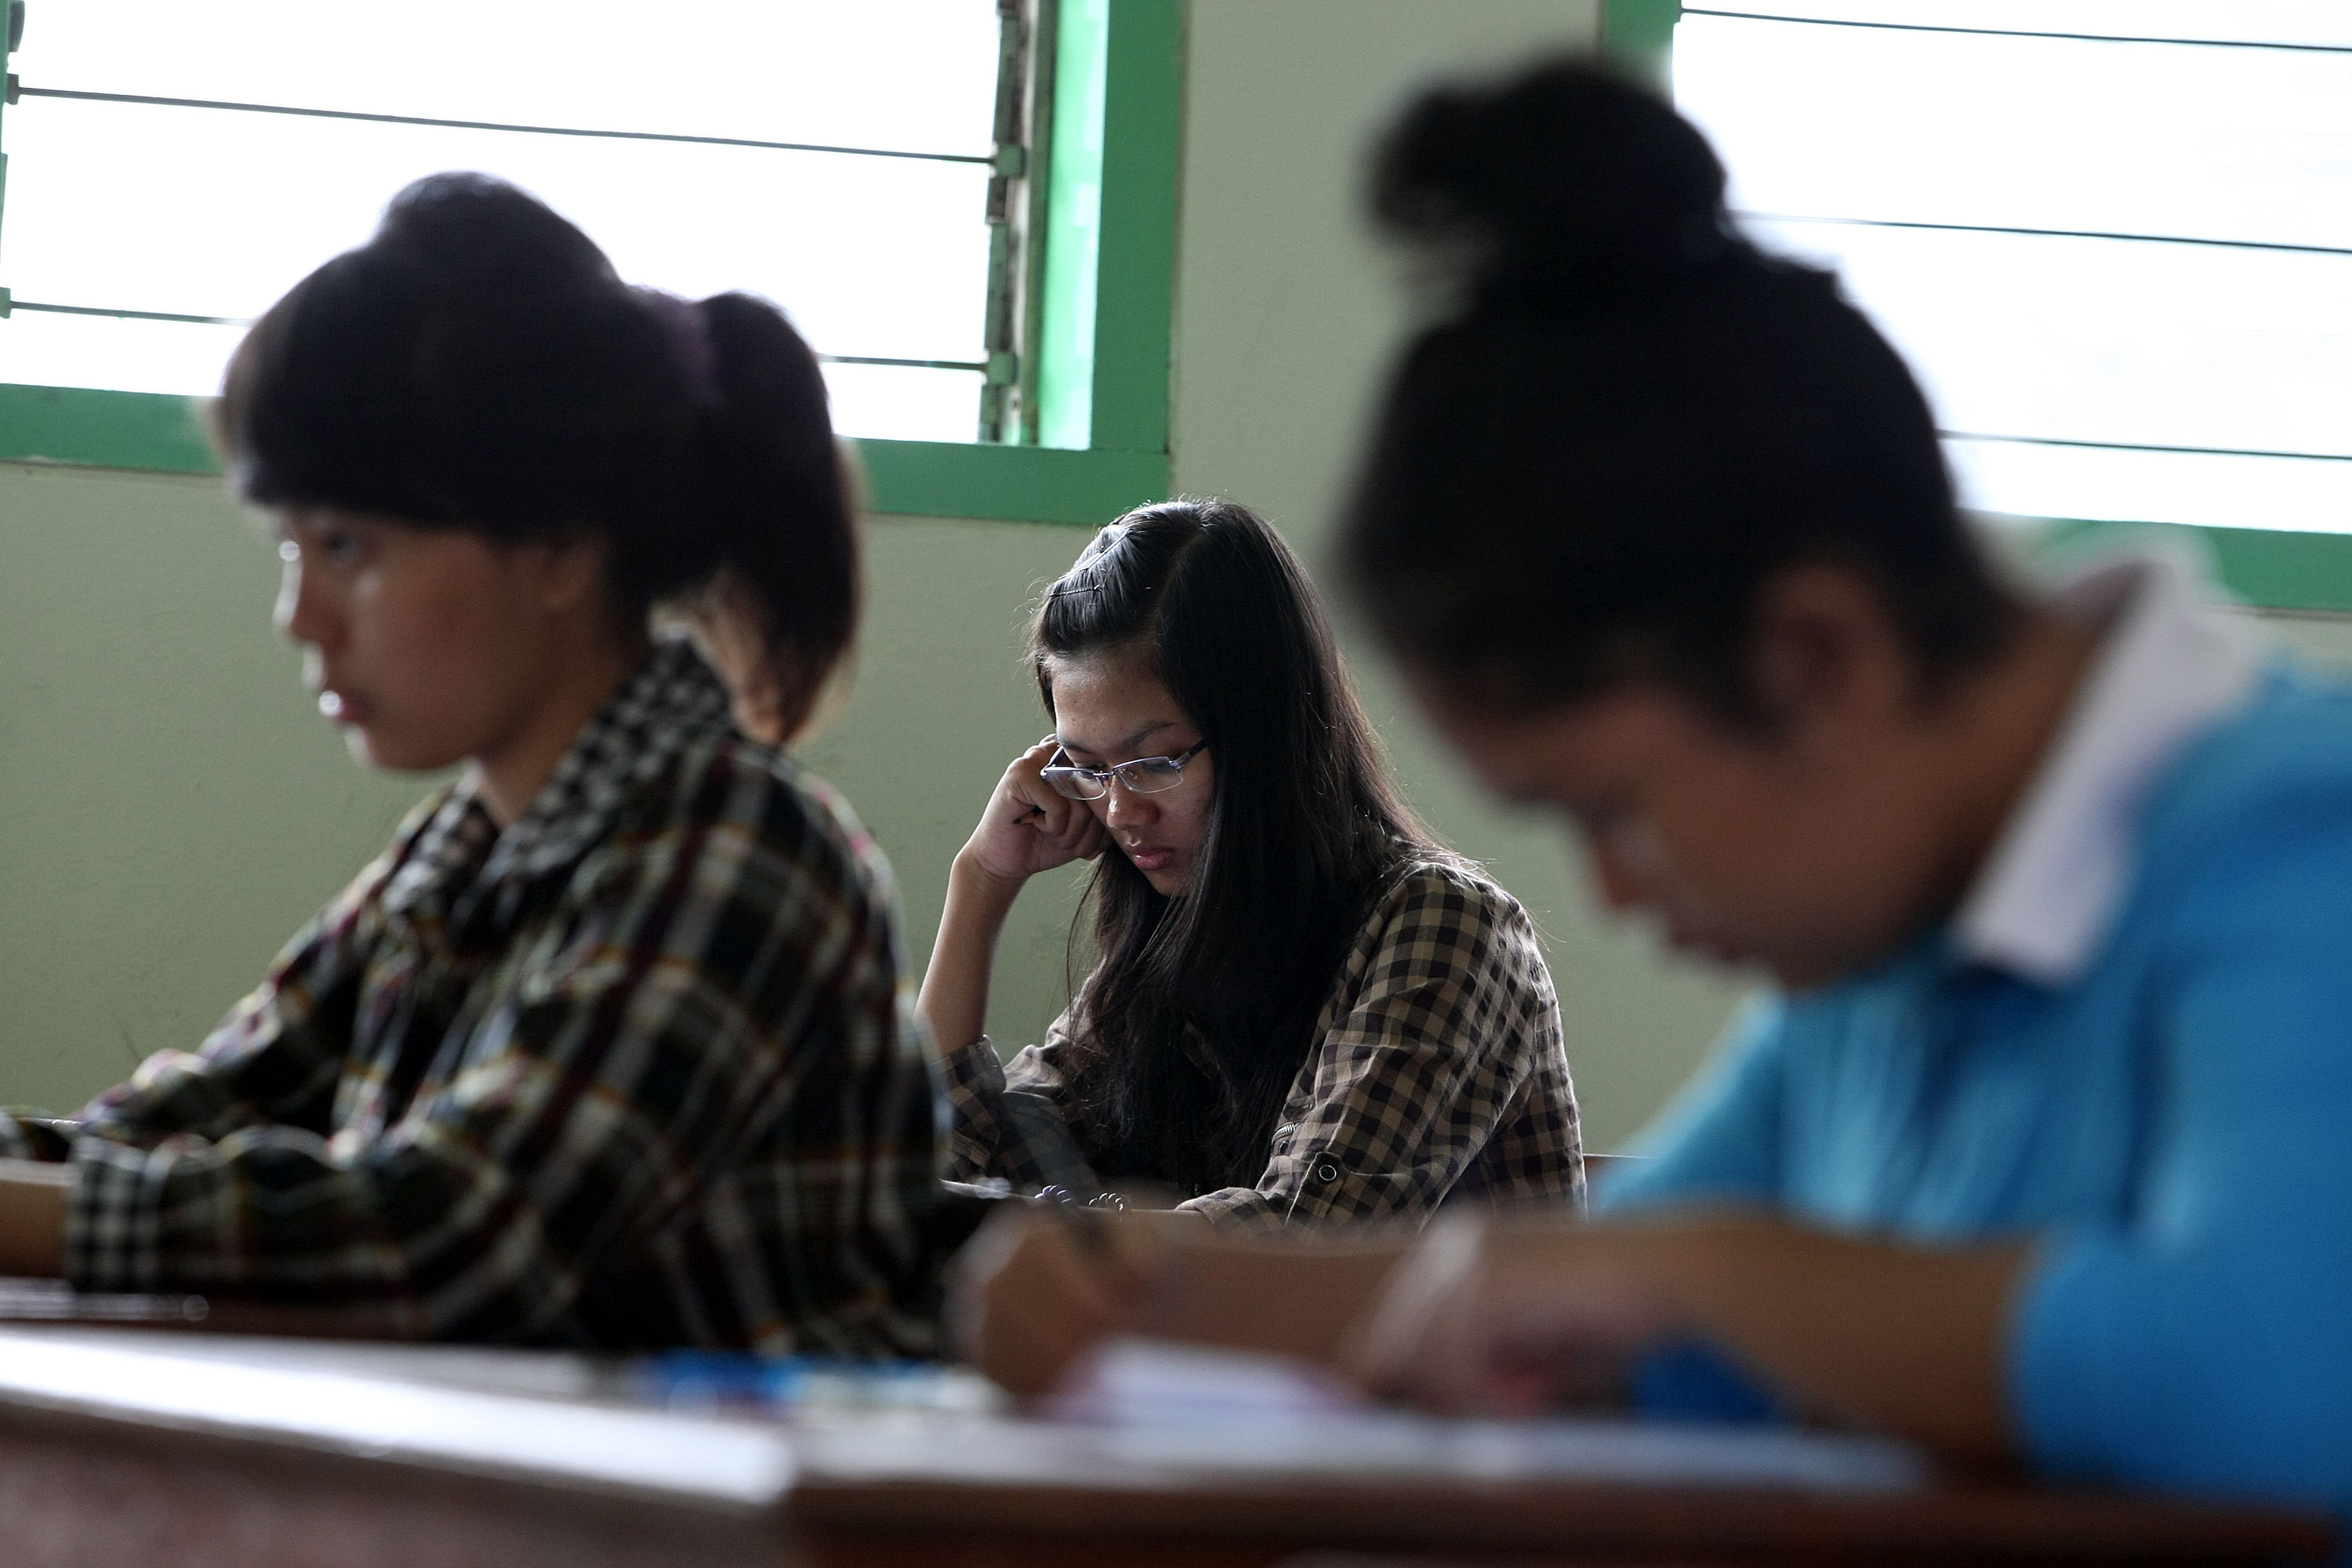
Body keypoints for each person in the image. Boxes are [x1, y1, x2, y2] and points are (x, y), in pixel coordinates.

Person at [952, 60, 2352, 1519]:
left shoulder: (2300, 845)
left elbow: (2279, 1378)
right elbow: (1598, 1318)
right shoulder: (1881, 967)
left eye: (1610, 806)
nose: (1613, 893)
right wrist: (1160, 1293)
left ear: (1815, 657)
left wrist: (1677, 1271)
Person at [0, 174, 947, 1353]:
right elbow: (188, 1114)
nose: (301, 617)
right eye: (290, 548)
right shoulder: (459, 854)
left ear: (556, 545)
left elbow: (447, 1237)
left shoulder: (741, 847)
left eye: (348, 545)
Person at [921, 499, 1581, 1230]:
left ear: (1266, 737)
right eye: (1086, 768)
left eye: (1157, 761)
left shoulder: (1446, 928)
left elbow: (1301, 1235)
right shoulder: (1177, 935)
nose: (1120, 811)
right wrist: (980, 884)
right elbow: (934, 1163)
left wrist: (1054, 1241)